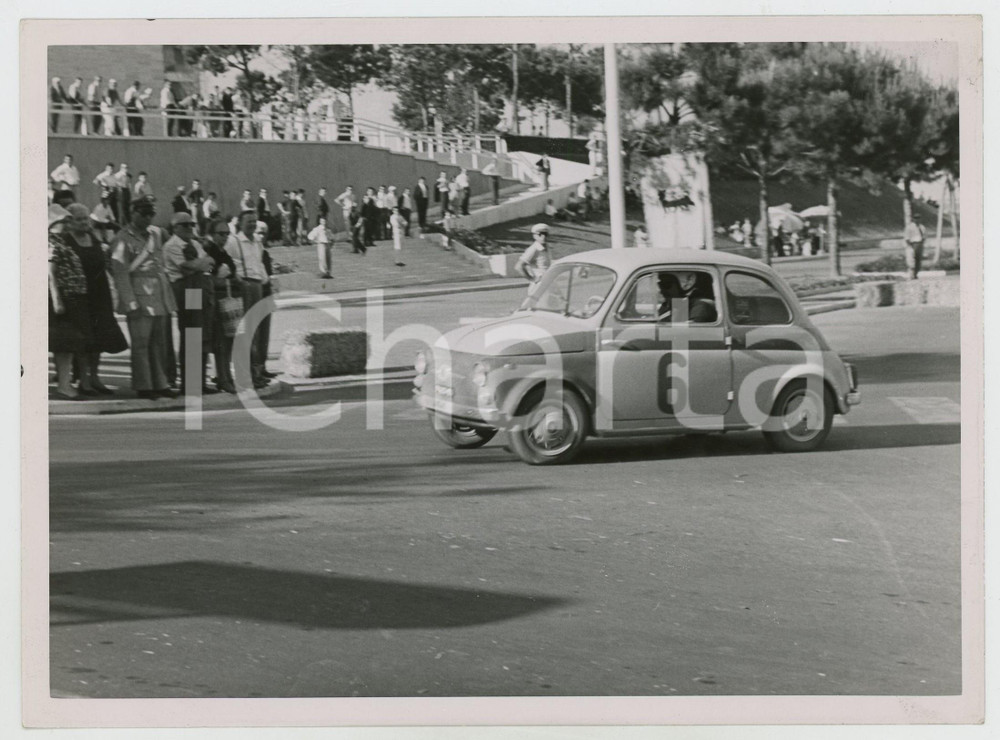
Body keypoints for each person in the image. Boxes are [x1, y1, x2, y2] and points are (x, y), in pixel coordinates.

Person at [109, 196, 178, 400]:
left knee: (159, 343)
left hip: (158, 295)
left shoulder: (154, 234)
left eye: (151, 214)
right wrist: (130, 302)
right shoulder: (122, 238)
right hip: (139, 296)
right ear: (134, 213)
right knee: (141, 344)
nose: (149, 218)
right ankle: (144, 385)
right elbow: (120, 273)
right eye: (144, 213)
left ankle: (161, 383)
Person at [63, 203, 128, 395]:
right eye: (79, 219)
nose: (84, 222)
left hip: (100, 294)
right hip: (79, 296)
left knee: (99, 337)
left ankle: (95, 377)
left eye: (86, 218)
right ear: (70, 221)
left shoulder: (94, 238)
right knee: (83, 339)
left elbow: (107, 264)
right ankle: (84, 380)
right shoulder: (66, 241)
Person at [163, 211, 218, 394]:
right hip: (185, 289)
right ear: (175, 227)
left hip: (198, 288)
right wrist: (199, 264)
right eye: (185, 225)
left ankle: (200, 381)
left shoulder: (194, 243)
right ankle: (189, 383)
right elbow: (186, 267)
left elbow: (209, 262)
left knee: (201, 333)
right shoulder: (171, 245)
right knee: (191, 333)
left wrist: (199, 264)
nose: (189, 228)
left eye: (191, 225)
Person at [48, 204, 92, 399]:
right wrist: (57, 299)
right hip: (62, 298)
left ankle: (65, 384)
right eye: (63, 221)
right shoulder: (51, 242)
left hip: (71, 297)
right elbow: (50, 272)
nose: (67, 224)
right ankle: (64, 385)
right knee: (63, 343)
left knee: (67, 343)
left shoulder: (60, 241)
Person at [225, 210, 271, 389]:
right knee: (245, 332)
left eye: (254, 222)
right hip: (244, 286)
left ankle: (256, 373)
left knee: (257, 331)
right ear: (240, 224)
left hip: (258, 285)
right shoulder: (234, 241)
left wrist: (265, 280)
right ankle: (245, 375)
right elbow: (227, 263)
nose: (252, 225)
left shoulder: (257, 243)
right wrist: (237, 279)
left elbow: (259, 264)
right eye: (248, 222)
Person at [203, 218, 241, 393]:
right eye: (221, 234)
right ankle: (222, 378)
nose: (225, 237)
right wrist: (224, 280)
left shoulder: (222, 252)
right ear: (211, 234)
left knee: (228, 340)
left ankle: (225, 376)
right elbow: (207, 278)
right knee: (219, 342)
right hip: (211, 301)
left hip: (225, 300)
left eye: (227, 233)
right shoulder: (207, 251)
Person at [904, 213, 926, 280]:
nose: (917, 219)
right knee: (911, 260)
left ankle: (916, 274)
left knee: (918, 260)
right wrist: (910, 247)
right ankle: (911, 275)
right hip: (913, 244)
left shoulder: (922, 227)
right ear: (913, 219)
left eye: (918, 218)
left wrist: (922, 244)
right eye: (915, 218)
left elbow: (924, 236)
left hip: (920, 244)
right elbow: (907, 238)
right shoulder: (909, 227)